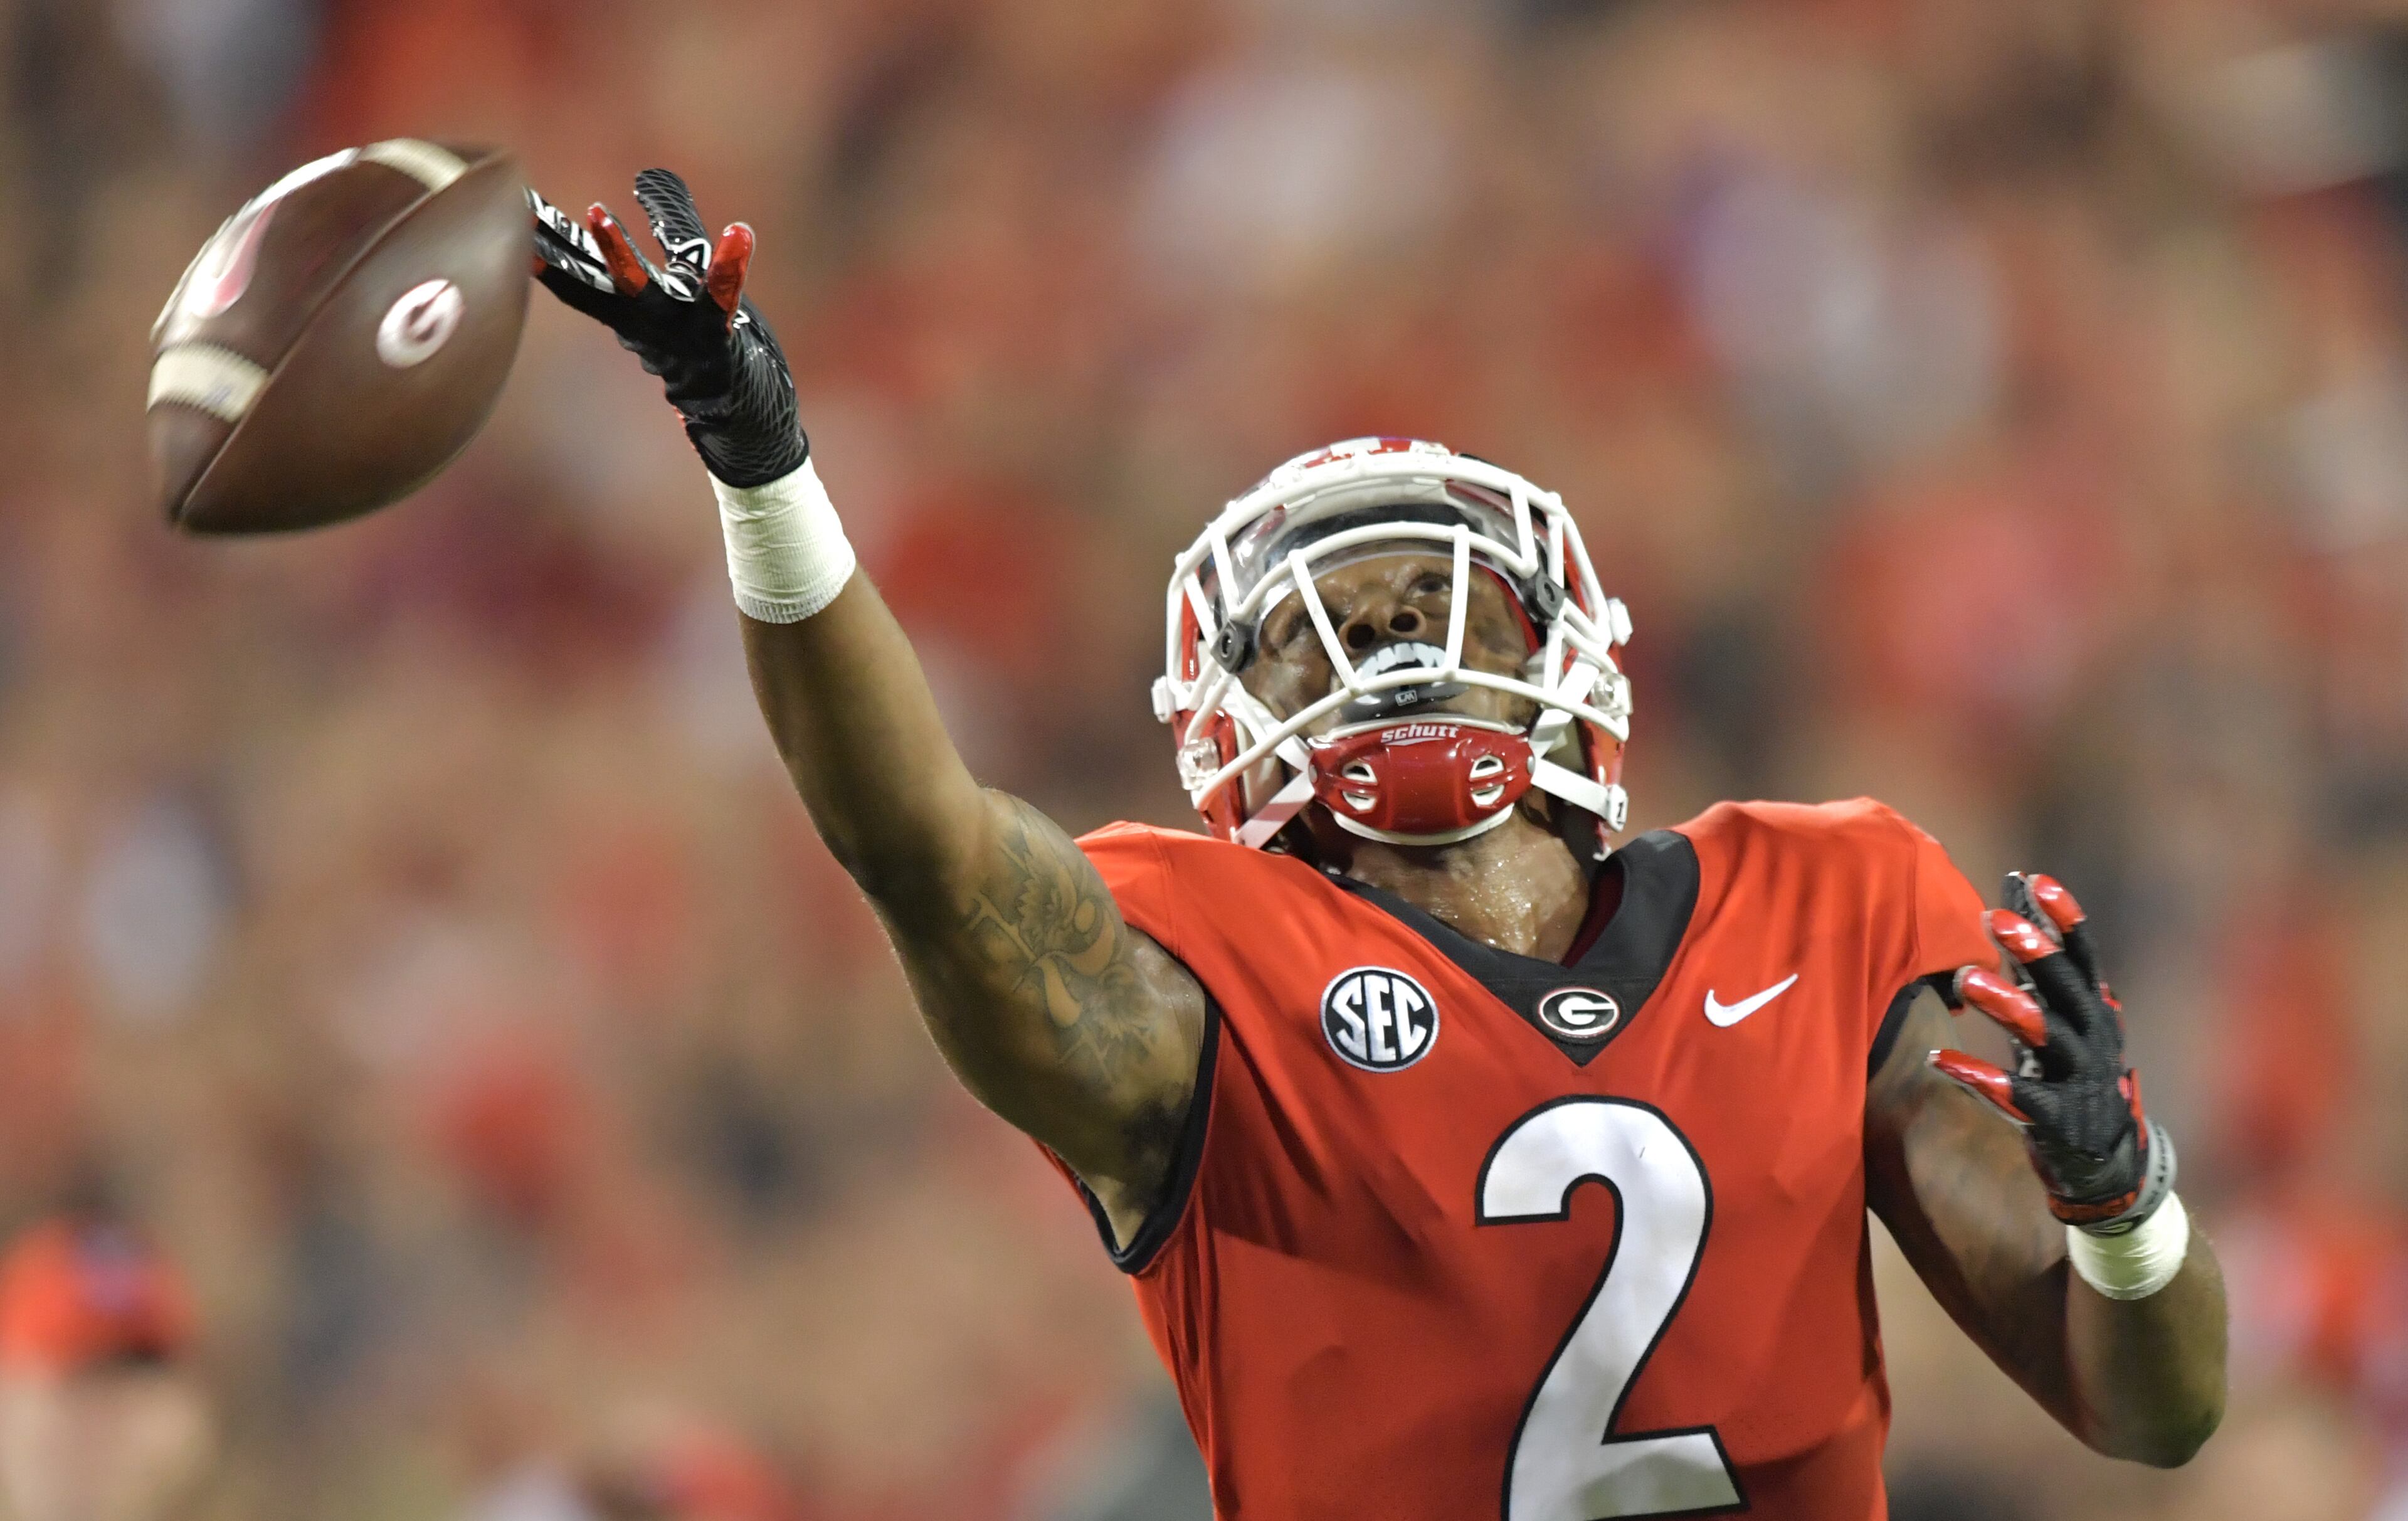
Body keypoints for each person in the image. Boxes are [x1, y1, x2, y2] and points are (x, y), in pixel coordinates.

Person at [528, 171, 2227, 1518]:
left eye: (1432, 595)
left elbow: (2150, 1404)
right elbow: (919, 846)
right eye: (1322, 628)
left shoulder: (1826, 897)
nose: (1397, 643)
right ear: (1222, 719)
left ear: (1569, 643)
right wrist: (761, 462)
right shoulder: (1208, 980)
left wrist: (2120, 1199)